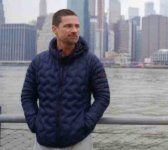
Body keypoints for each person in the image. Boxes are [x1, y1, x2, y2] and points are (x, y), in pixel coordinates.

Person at [21, 9, 110, 149]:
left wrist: (85, 124)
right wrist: (34, 122)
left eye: (77, 26)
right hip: (44, 141)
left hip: (79, 141)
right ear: (54, 29)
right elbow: (27, 96)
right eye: (68, 26)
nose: (74, 30)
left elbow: (103, 96)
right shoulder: (38, 62)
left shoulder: (92, 62)